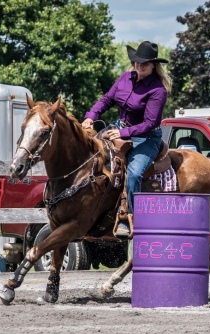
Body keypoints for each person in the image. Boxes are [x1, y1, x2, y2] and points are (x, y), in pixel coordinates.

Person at [81, 41, 172, 238]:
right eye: (137, 62)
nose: (140, 66)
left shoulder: (158, 90)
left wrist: (123, 134)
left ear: (154, 65)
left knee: (134, 174)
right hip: (119, 127)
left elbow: (150, 122)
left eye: (145, 63)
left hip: (146, 138)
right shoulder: (125, 78)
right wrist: (91, 116)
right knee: (90, 156)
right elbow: (107, 100)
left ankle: (131, 217)